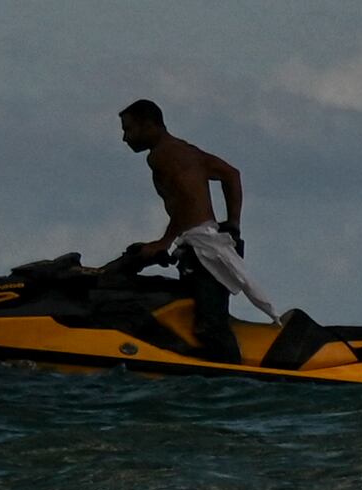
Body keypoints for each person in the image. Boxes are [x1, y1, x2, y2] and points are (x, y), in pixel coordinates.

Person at [107, 98, 280, 326]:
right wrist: (233, 223)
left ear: (148, 125)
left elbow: (184, 200)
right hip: (202, 242)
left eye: (128, 130)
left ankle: (221, 358)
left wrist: (164, 242)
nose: (125, 138)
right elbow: (231, 174)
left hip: (202, 249)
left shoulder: (163, 155)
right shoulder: (185, 150)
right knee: (193, 311)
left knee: (209, 323)